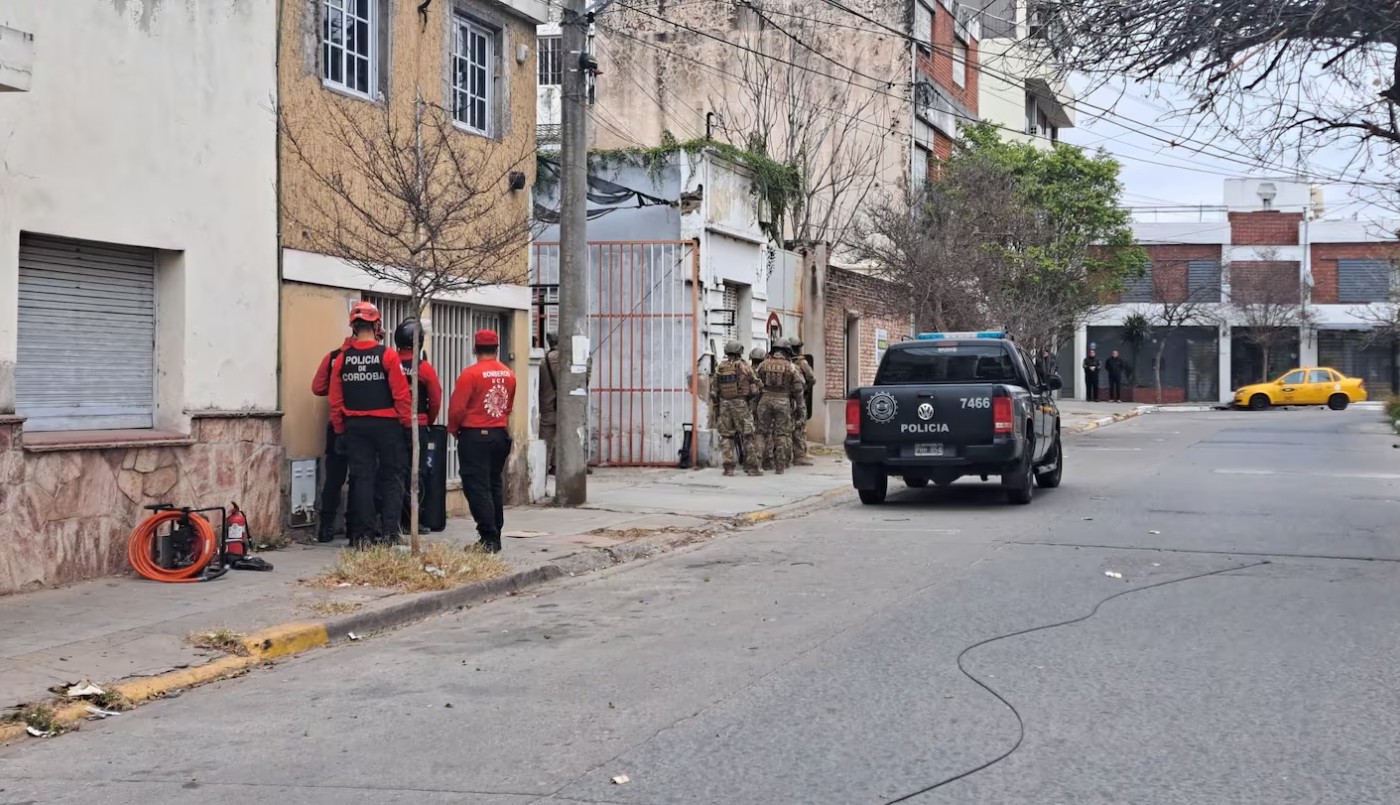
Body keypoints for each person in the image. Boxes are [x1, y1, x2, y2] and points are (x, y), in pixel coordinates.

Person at [329, 302, 413, 548]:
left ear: (353, 326)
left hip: (355, 426)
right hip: (387, 426)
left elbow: (336, 399)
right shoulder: (387, 355)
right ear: (377, 325)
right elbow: (401, 395)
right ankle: (389, 533)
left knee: (361, 479)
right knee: (392, 477)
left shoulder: (343, 358)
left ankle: (362, 536)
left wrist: (339, 429)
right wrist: (407, 426)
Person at [447, 329, 517, 553]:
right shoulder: (509, 374)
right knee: (493, 483)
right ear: (497, 349)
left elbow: (457, 408)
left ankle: (488, 538)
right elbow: (507, 407)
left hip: (475, 435)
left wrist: (454, 429)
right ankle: (495, 533)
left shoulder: (470, 374)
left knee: (477, 487)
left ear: (474, 348)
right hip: (499, 434)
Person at [393, 318, 443, 526]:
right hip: (418, 425)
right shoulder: (423, 368)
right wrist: (427, 420)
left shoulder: (390, 362)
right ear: (420, 342)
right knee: (417, 473)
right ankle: (414, 521)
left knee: (394, 472)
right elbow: (436, 398)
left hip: (392, 426)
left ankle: (394, 520)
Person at [312, 333, 354, 543]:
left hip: (337, 426)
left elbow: (318, 387)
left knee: (334, 479)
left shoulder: (333, 357)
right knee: (361, 477)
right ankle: (355, 527)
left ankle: (326, 527)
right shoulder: (375, 356)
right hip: (361, 427)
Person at [711, 340, 761, 477]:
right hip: (741, 404)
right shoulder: (744, 366)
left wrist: (717, 406)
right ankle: (752, 468)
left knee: (727, 436)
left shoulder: (720, 367)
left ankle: (728, 468)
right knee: (748, 435)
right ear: (740, 351)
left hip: (724, 405)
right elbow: (756, 381)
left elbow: (714, 389)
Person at [755, 339, 805, 474]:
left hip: (764, 400)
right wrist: (800, 407)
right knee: (782, 434)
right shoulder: (791, 367)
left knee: (761, 432)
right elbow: (799, 388)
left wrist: (755, 403)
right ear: (787, 351)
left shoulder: (763, 364)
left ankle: (757, 464)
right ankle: (780, 466)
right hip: (783, 402)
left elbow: (755, 383)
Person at [788, 336, 816, 467]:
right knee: (800, 425)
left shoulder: (785, 362)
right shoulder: (802, 362)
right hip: (799, 397)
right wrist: (806, 388)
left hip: (784, 398)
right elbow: (811, 378)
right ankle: (800, 454)